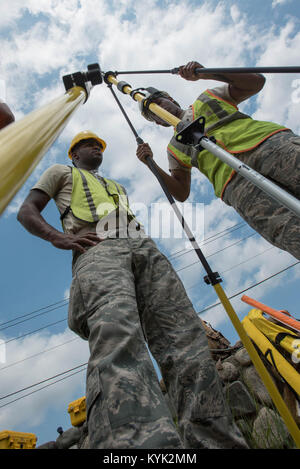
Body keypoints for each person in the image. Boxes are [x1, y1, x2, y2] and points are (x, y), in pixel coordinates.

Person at [17, 130, 247, 449]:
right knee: (117, 332)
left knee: (186, 339)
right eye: (88, 145)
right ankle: (134, 445)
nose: (96, 148)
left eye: (100, 145)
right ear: (74, 154)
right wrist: (59, 237)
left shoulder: (117, 186)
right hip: (96, 247)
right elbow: (27, 211)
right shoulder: (60, 172)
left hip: (144, 247)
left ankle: (216, 441)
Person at [136, 61, 300, 261]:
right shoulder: (174, 148)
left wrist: (205, 73)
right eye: (154, 115)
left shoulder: (207, 98)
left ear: (171, 99)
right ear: (159, 123)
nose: (159, 111)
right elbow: (181, 192)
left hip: (271, 147)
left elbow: (255, 82)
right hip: (238, 187)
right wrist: (151, 164)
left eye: (160, 104)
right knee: (290, 233)